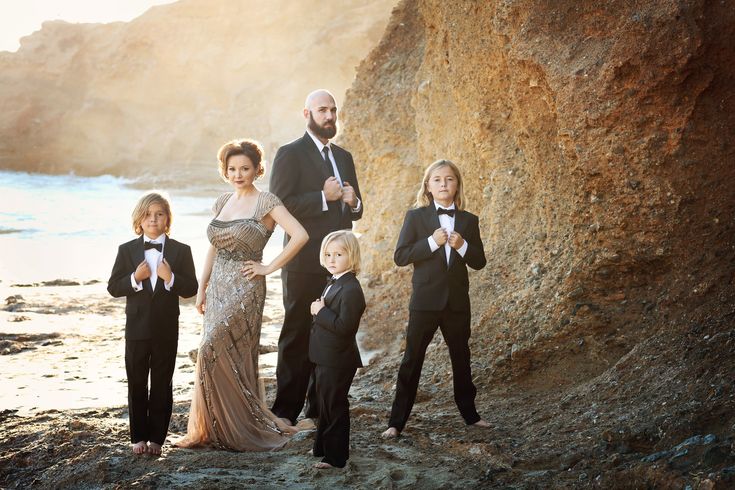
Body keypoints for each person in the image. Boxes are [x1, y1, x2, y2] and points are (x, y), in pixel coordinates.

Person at [176, 139, 308, 451]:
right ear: (225, 171)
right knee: (216, 355)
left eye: (244, 168)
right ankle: (217, 427)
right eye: (232, 168)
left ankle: (242, 427)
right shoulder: (222, 201)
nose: (238, 174)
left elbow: (301, 235)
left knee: (213, 348)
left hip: (247, 286)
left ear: (256, 169)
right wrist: (201, 288)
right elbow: (214, 247)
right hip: (218, 285)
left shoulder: (267, 202)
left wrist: (268, 267)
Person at [269, 89, 363, 427]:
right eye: (322, 110)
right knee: (296, 335)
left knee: (329, 335)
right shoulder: (289, 154)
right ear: (306, 113)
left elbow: (356, 209)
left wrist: (352, 202)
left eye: (333, 110)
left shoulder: (344, 156)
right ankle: (284, 412)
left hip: (339, 267)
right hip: (302, 261)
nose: (329, 116)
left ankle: (319, 408)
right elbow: (278, 205)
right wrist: (322, 198)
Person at [381, 159, 491, 439]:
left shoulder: (469, 220)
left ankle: (471, 415)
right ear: (428, 187)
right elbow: (401, 256)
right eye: (438, 180)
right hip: (424, 303)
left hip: (456, 304)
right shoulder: (416, 218)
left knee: (461, 358)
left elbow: (479, 262)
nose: (444, 184)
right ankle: (396, 422)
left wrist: (461, 245)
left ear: (457, 185)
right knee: (411, 360)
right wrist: (431, 242)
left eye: (450, 179)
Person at [107, 192, 198, 455]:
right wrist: (135, 278)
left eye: (159, 214)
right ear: (139, 219)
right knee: (136, 382)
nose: (153, 219)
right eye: (148, 214)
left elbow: (190, 288)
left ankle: (157, 438)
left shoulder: (181, 250)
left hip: (166, 329)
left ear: (167, 218)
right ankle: (138, 437)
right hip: (136, 329)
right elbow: (113, 287)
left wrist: (170, 277)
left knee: (162, 382)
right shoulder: (126, 250)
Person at [308, 230, 366, 469]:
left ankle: (336, 457)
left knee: (335, 404)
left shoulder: (352, 289)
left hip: (339, 358)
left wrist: (320, 312)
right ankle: (322, 446)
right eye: (328, 254)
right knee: (324, 402)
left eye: (339, 254)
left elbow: (345, 328)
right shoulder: (334, 281)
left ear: (351, 256)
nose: (331, 259)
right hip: (325, 355)